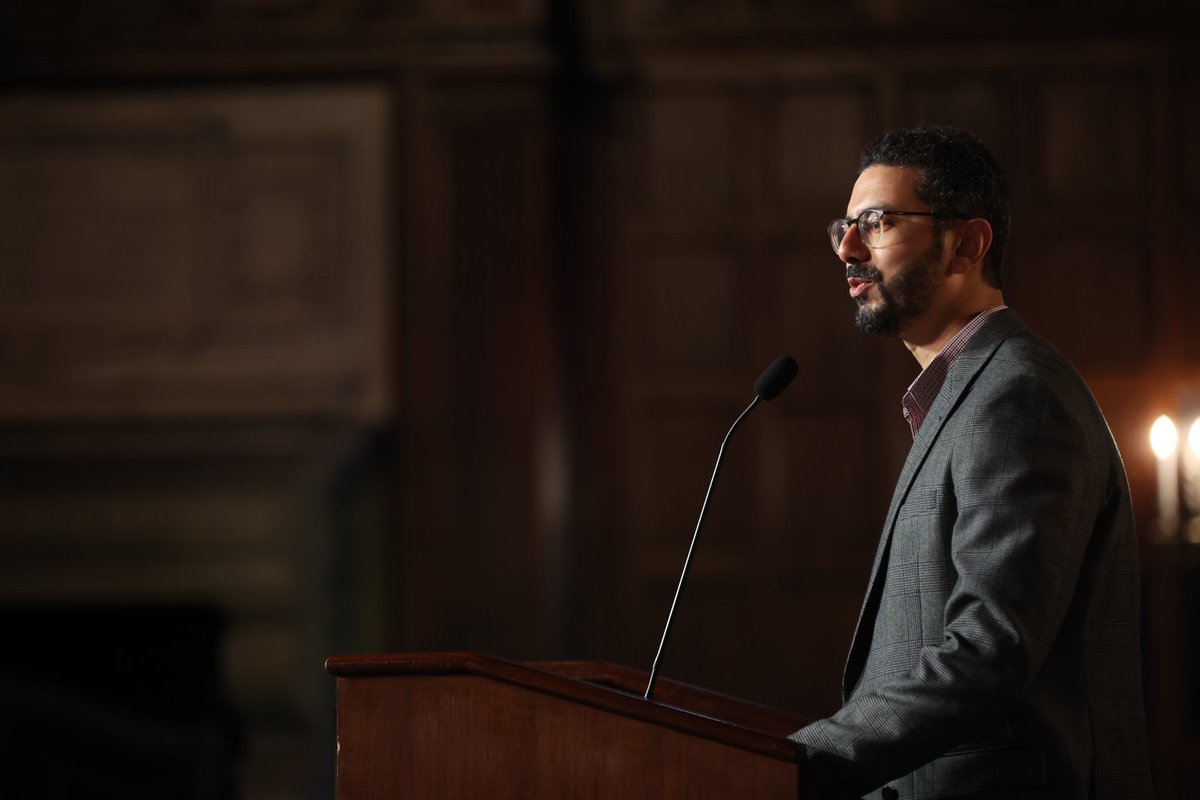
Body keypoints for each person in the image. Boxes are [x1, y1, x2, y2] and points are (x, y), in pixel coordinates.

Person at [788, 126, 1154, 800]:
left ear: (967, 244)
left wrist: (797, 763)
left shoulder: (1019, 398)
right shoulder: (971, 392)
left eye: (878, 222)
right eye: (846, 224)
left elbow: (989, 652)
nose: (847, 248)